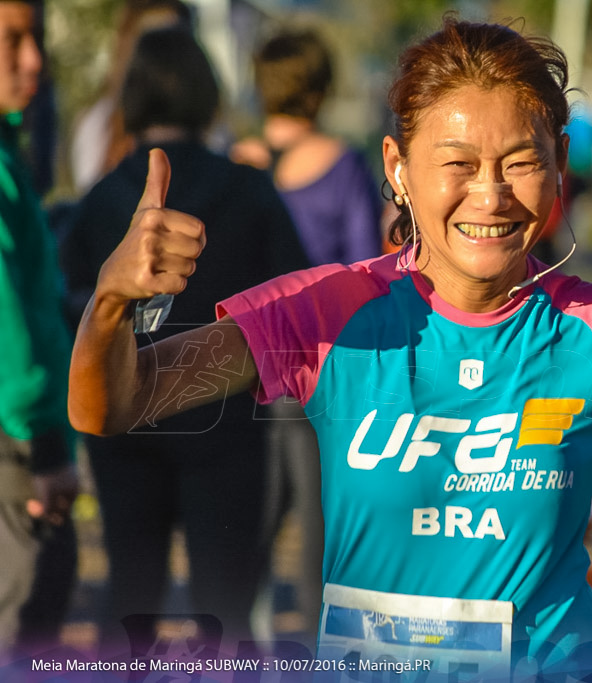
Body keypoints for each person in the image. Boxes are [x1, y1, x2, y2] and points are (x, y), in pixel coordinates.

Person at [67, 16, 592, 680]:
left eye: (520, 160)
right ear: (398, 168)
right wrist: (110, 303)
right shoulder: (326, 312)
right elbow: (115, 402)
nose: (489, 193)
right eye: (457, 162)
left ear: (559, 166)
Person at [59, 27, 308, 658]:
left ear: (132, 96)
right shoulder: (250, 189)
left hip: (124, 431)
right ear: (208, 94)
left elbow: (71, 309)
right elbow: (297, 301)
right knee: (227, 614)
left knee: (129, 604)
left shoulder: (99, 199)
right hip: (225, 428)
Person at [231, 27, 384, 645]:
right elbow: (364, 265)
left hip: (242, 362)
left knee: (252, 511)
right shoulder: (343, 164)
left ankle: (251, 636)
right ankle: (319, 643)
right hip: (320, 367)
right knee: (320, 512)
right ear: (318, 92)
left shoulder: (233, 164)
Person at [0, 0, 79, 664]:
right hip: (17, 445)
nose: (33, 60)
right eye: (11, 39)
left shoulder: (9, 150)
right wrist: (45, 445)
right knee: (26, 629)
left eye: (35, 39)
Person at [232, 28, 383, 265]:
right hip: (325, 301)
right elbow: (367, 261)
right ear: (322, 89)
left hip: (254, 302)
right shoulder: (346, 164)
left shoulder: (234, 163)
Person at [68, 0, 191, 195]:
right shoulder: (97, 125)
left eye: (176, 42)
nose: (165, 57)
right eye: (153, 43)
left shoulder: (212, 127)